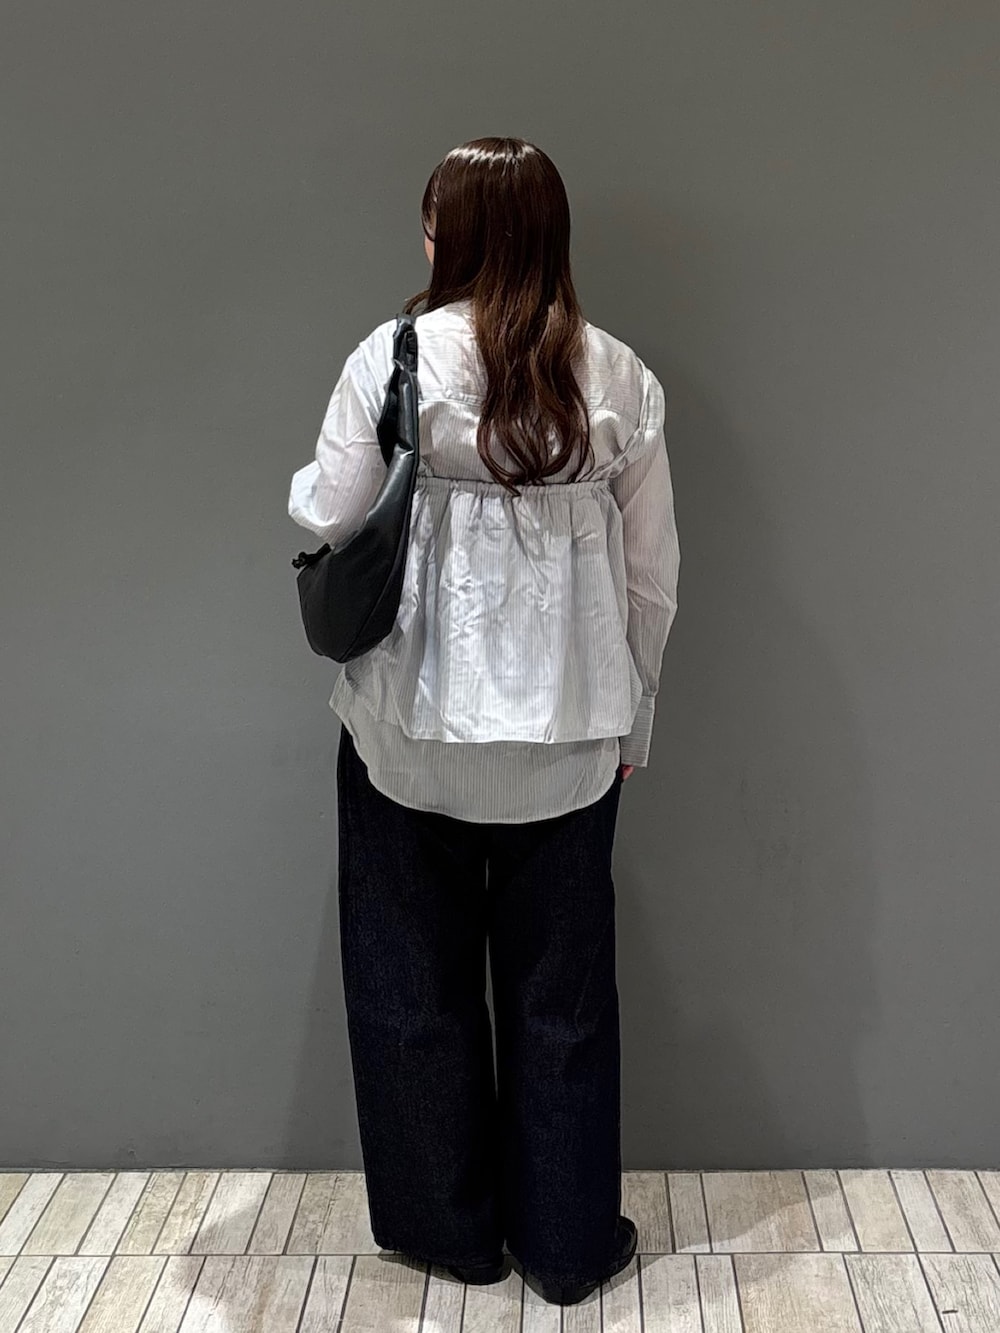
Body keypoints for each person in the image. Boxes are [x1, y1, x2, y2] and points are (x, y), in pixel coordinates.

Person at [287, 136, 680, 1307]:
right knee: (564, 1004)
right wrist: (632, 722)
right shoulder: (617, 376)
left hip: (406, 732)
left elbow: (328, 514)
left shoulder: (392, 358)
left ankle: (449, 1235)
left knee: (410, 991)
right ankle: (564, 1246)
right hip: (570, 740)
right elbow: (651, 578)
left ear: (447, 237)